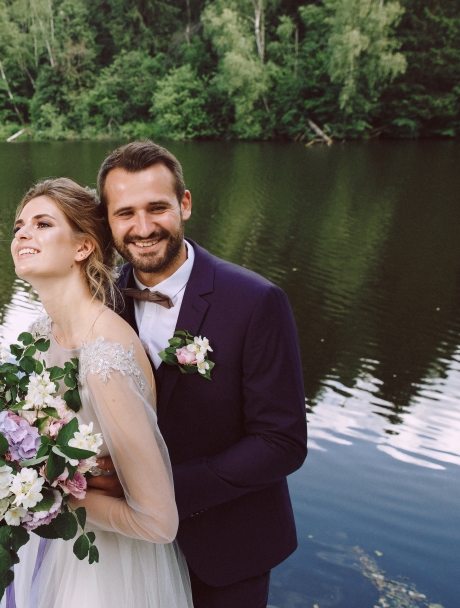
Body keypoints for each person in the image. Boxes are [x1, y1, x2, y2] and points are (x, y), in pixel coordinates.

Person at [88, 141, 308, 608]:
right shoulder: (99, 303)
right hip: (125, 551)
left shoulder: (255, 301)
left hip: (227, 549)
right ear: (107, 220)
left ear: (184, 204)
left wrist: (157, 489)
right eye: (125, 213)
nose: (143, 228)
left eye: (157, 208)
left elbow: (281, 442)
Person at [2, 178, 194, 608]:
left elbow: (159, 522)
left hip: (103, 571)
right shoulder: (39, 336)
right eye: (19, 226)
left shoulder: (105, 358)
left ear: (83, 247)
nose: (23, 234)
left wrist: (52, 499)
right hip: (44, 547)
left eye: (42, 224)